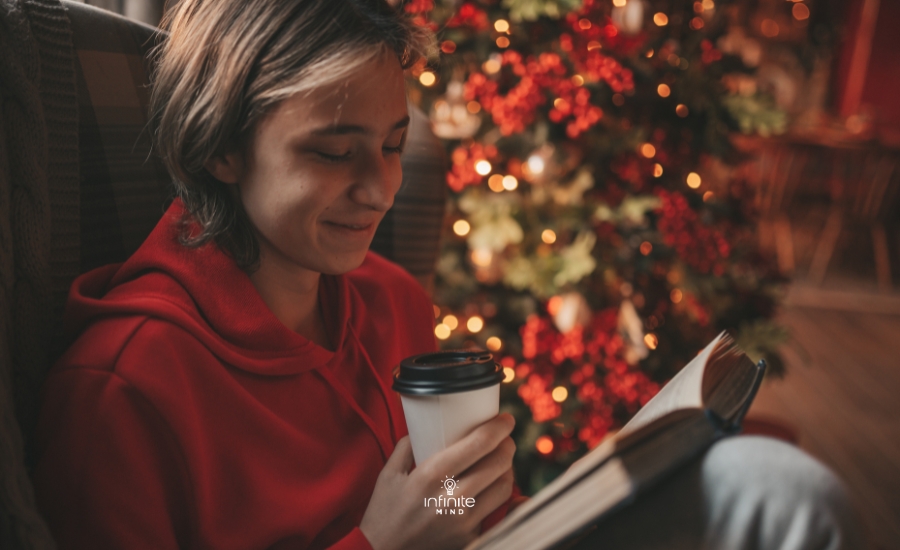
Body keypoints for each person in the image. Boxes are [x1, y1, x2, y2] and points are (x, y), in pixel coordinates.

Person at [32, 0, 865, 549]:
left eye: (393, 146)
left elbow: (470, 525)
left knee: (776, 488)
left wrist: (476, 506)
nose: (380, 190)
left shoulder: (393, 304)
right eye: (333, 152)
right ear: (219, 146)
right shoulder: (124, 389)